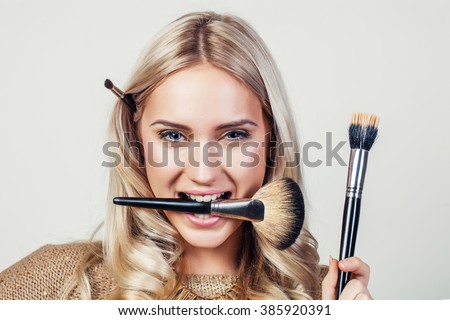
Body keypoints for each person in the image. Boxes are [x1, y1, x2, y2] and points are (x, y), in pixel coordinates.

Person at [0, 11, 372, 300]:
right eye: (174, 136)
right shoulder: (59, 283)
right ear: (135, 141)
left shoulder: (328, 296)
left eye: (235, 135)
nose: (204, 174)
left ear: (271, 141)